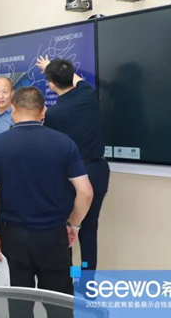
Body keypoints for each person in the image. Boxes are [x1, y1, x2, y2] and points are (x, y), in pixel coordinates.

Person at [0, 87, 93, 318]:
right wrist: (74, 224)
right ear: (43, 111)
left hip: (14, 236)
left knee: (19, 305)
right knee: (59, 304)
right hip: (54, 236)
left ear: (13, 109)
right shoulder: (64, 142)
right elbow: (86, 192)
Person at [37, 56, 111, 278]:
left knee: (66, 229)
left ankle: (67, 280)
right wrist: (51, 67)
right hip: (98, 171)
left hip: (72, 176)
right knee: (89, 229)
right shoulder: (87, 94)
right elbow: (77, 80)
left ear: (51, 84)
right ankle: (88, 281)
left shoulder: (53, 114)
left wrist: (48, 69)